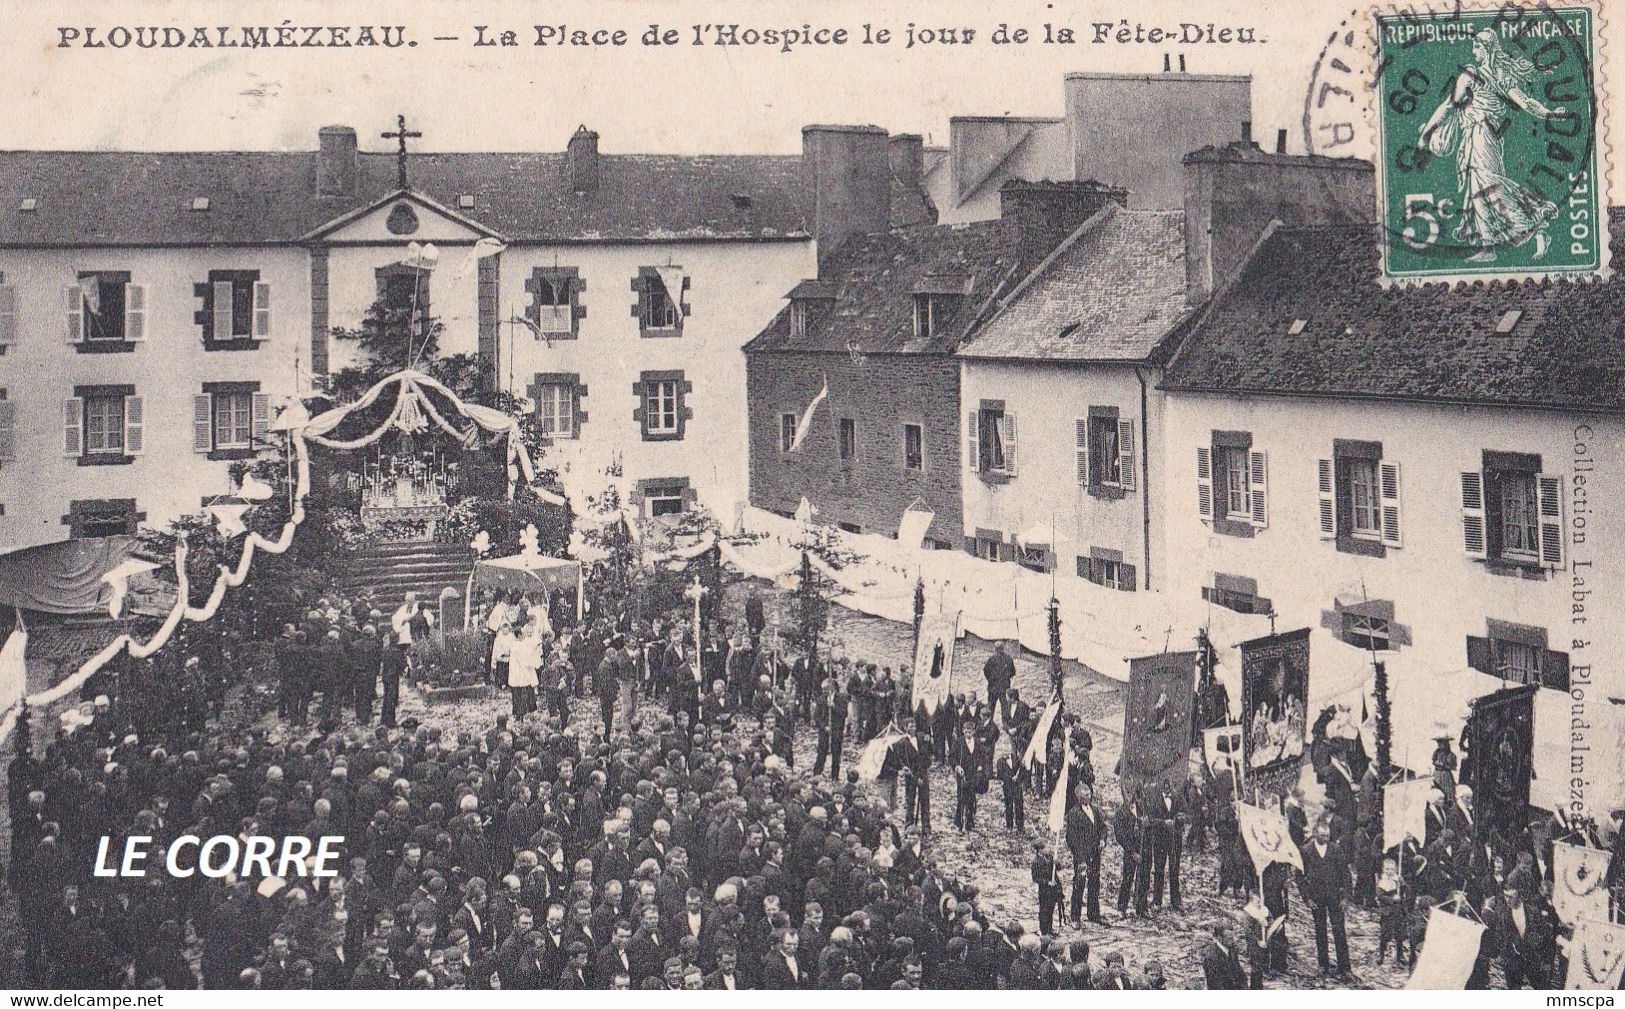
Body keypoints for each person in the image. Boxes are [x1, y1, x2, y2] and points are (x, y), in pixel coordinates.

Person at [1298, 817, 1351, 978]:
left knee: (1339, 931)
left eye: (1327, 836)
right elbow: (1300, 876)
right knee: (1320, 930)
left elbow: (1345, 875)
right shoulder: (1306, 851)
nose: (1325, 839)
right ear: (1315, 834)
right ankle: (1323, 965)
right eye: (1322, 835)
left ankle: (1345, 967)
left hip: (1335, 897)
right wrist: (1307, 898)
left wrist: (1345, 897)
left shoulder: (1336, 849)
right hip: (1317, 898)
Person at [1065, 782, 1105, 925]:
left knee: (1094, 883)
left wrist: (1102, 839)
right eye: (1086, 795)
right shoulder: (1073, 814)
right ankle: (1075, 917)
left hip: (1095, 854)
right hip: (1082, 856)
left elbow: (1102, 827)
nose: (1089, 796)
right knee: (1079, 884)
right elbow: (1072, 839)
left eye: (1089, 794)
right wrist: (1080, 859)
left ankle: (1094, 913)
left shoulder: (1095, 810)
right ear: (1079, 797)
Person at [1031, 840, 1062, 937]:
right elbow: (1036, 878)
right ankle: (1044, 931)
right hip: (1044, 890)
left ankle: (1050, 929)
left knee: (1051, 909)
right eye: (1046, 848)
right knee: (1044, 910)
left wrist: (1057, 863)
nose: (1049, 849)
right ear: (1040, 850)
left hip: (1053, 889)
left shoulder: (1050, 858)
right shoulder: (1036, 862)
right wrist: (1047, 883)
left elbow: (1058, 868)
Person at [995, 746, 1026, 831]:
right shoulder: (1000, 762)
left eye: (1006, 750)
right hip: (1007, 787)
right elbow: (1000, 775)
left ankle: (1020, 827)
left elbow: (1022, 770)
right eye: (1003, 751)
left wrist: (1018, 778)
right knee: (1008, 807)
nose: (1005, 753)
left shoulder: (1016, 758)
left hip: (1017, 786)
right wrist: (1010, 778)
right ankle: (1009, 826)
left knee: (1019, 806)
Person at [982, 641, 1015, 711]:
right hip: (1004, 687)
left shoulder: (992, 659)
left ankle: (989, 720)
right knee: (1005, 707)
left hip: (993, 687)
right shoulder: (1009, 659)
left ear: (995, 649)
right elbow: (1012, 672)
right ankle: (1005, 721)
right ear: (1003, 648)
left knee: (991, 706)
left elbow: (985, 671)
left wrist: (990, 679)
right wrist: (1006, 678)